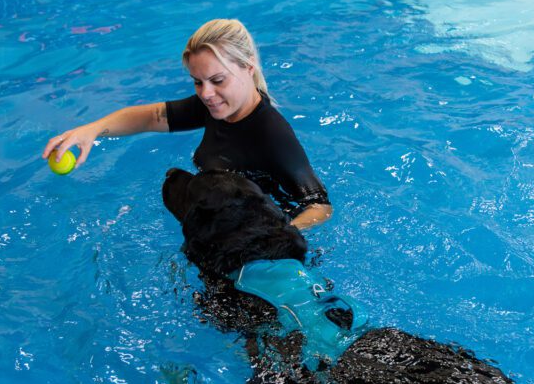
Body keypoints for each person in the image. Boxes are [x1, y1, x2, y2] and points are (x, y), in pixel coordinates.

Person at [41, 19, 332, 230]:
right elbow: (150, 116)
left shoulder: (272, 134)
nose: (205, 93)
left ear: (248, 67)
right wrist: (92, 129)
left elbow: (320, 206)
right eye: (197, 81)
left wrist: (268, 239)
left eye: (218, 80)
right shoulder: (218, 107)